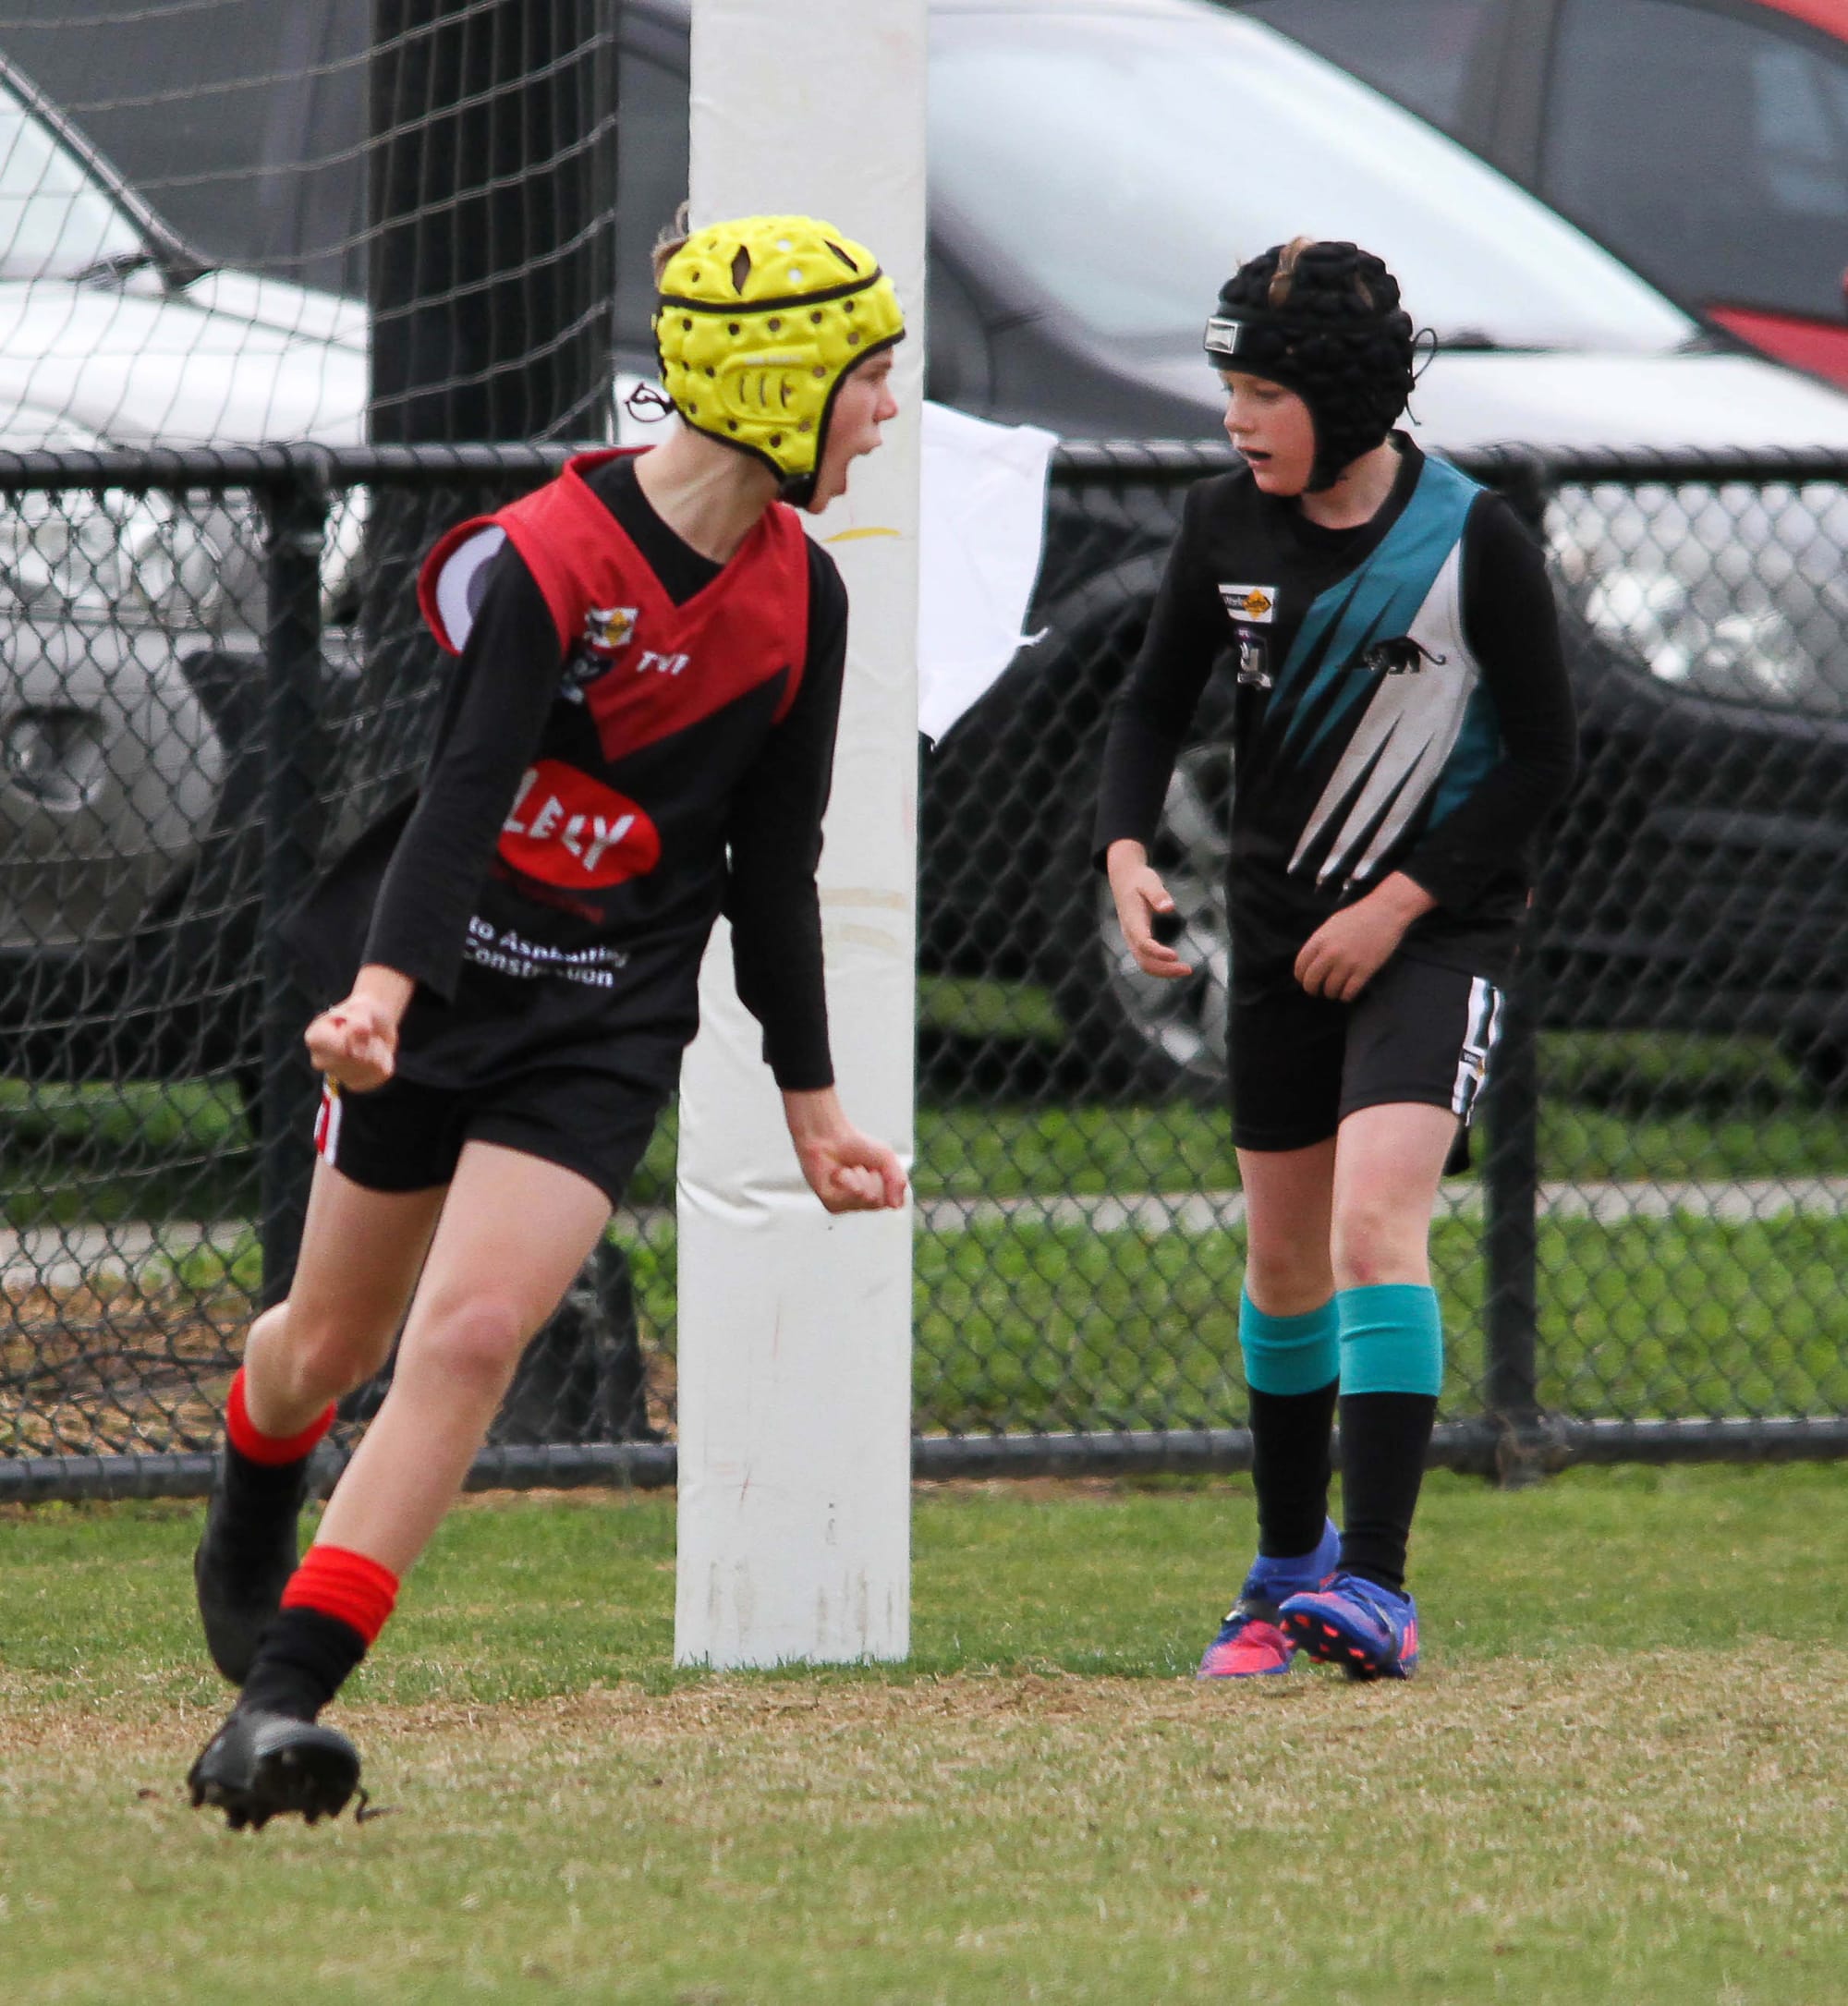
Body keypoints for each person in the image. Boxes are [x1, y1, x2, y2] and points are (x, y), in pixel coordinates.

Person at [187, 213, 909, 1828]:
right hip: (439, 992)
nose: (882, 414)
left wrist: (815, 1108)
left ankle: (280, 1708)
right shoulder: (555, 554)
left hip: (602, 1021)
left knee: (469, 1337)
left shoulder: (807, 599)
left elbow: (769, 869)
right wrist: (378, 996)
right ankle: (253, 1477)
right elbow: (456, 801)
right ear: (784, 383)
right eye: (869, 381)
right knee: (323, 1351)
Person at [1095, 238, 1576, 1683]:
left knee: (1378, 1230)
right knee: (1285, 1261)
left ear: (1350, 397)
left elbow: (1544, 761)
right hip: (1281, 944)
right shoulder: (1218, 527)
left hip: (1436, 943)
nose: (1236, 419)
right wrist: (1128, 854)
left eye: (1262, 392)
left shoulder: (1471, 536)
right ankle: (1283, 1570)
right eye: (1226, 388)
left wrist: (1402, 903)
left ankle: (1377, 1585)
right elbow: (1142, 714)